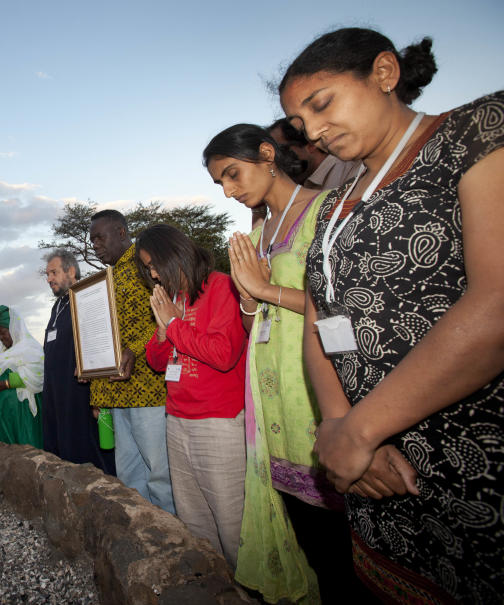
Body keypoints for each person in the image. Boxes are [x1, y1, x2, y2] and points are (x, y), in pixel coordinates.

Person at [280, 27, 503, 602]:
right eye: (303, 127)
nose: (317, 132)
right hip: (374, 470)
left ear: (384, 74)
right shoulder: (332, 206)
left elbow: (496, 302)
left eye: (322, 103)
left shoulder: (476, 131)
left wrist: (359, 429)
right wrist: (337, 425)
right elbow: (318, 321)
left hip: (474, 456)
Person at [204, 123, 370, 601]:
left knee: (343, 543)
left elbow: (346, 306)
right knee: (309, 540)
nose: (230, 191)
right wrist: (251, 300)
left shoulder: (328, 210)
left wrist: (263, 289)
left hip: (317, 390)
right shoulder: (257, 234)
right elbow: (253, 316)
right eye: (221, 184)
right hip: (272, 396)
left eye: (233, 175)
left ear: (266, 153)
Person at [138, 225, 247, 568]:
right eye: (148, 268)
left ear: (176, 253)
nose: (153, 273)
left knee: (232, 524)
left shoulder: (220, 286)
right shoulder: (175, 300)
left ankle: (249, 589)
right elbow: (156, 362)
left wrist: (174, 326)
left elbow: (224, 353)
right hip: (177, 420)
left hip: (218, 422)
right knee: (195, 521)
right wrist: (161, 332)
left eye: (155, 263)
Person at [88, 210, 174, 514]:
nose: (95, 245)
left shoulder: (145, 268)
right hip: (117, 391)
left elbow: (166, 319)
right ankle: (143, 532)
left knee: (160, 473)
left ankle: (173, 537)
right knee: (128, 475)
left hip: (147, 388)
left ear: (122, 233)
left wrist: (136, 350)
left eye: (100, 237)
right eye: (91, 240)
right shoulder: (103, 282)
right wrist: (89, 363)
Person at [41, 249, 116, 474]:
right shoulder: (58, 305)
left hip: (80, 392)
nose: (49, 279)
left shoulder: (87, 296)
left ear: (71, 271)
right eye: (47, 274)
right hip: (56, 392)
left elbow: (100, 339)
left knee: (85, 450)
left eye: (53, 272)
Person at [0, 305, 43, 447]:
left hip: (20, 414)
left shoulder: (30, 348)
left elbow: (36, 377)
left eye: (4, 333)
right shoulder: (1, 351)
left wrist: (4, 384)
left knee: (25, 451)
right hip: (0, 414)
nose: (1, 338)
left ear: (15, 330)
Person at [268, 118, 362, 191]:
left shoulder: (348, 170)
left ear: (310, 145)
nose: (276, 161)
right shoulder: (302, 187)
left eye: (280, 151)